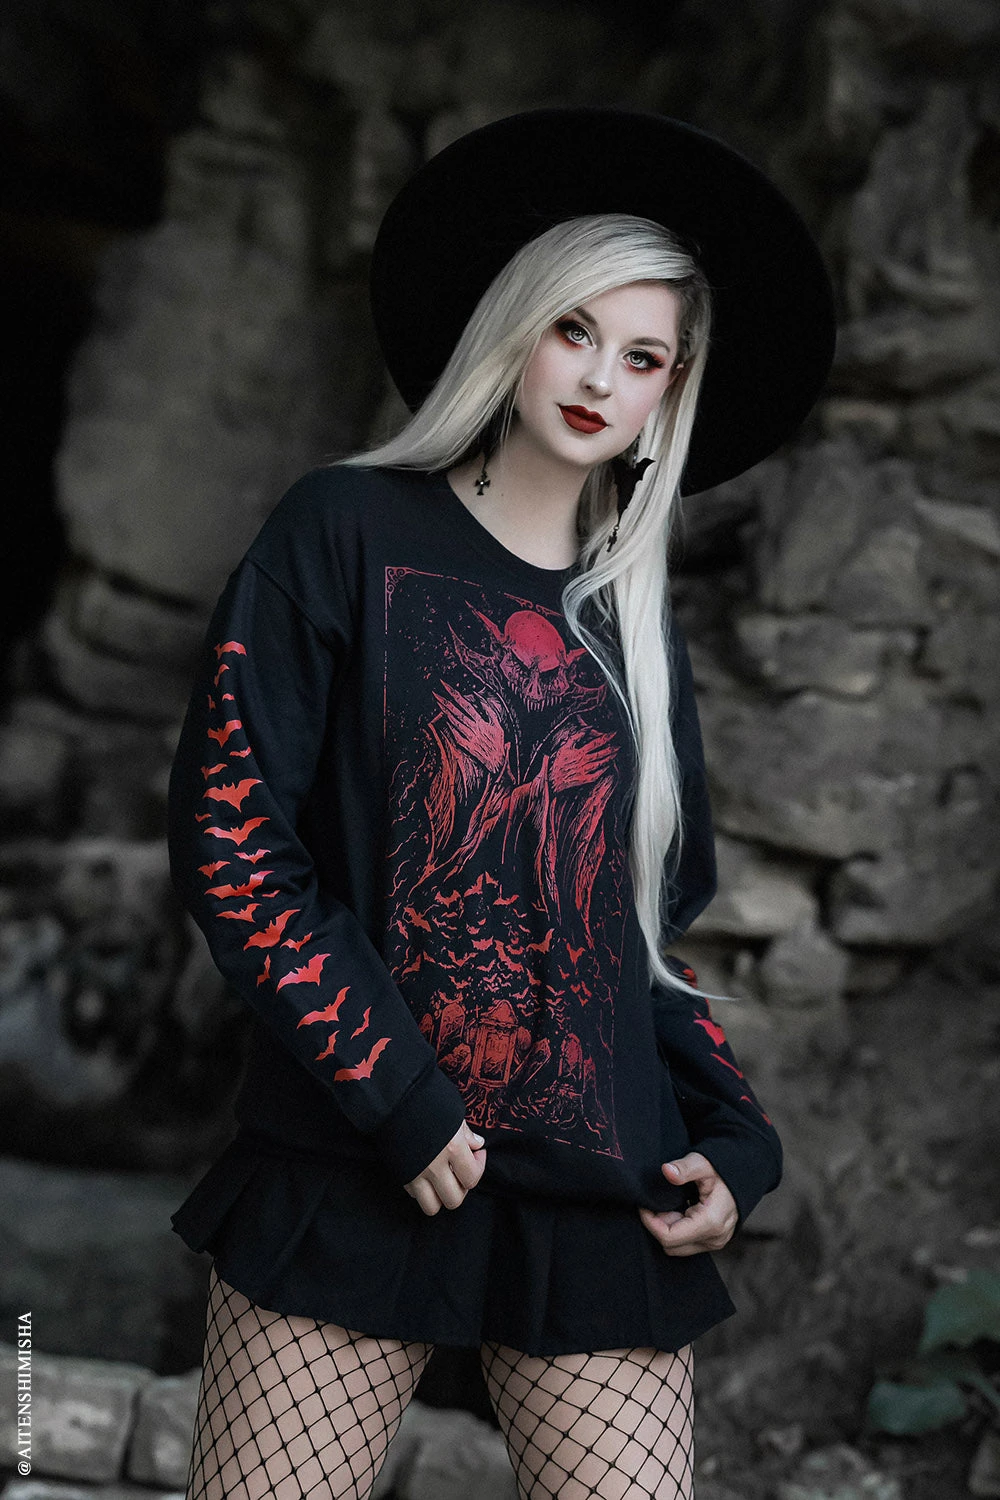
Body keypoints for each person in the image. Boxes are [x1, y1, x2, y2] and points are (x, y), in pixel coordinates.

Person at [167, 106, 835, 1500]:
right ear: (517, 325)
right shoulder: (341, 531)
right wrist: (395, 1093)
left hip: (596, 1191)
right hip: (361, 1153)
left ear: (671, 394)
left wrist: (735, 1134)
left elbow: (635, 940)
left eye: (642, 356)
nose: (598, 378)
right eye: (575, 329)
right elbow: (233, 839)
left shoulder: (632, 631)